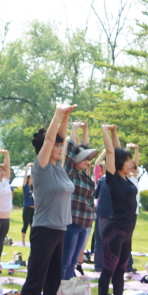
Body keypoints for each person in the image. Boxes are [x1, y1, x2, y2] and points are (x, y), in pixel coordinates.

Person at [13, 104, 76, 295]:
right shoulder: (41, 169)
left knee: (53, 280)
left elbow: (61, 138)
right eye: (56, 146)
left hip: (60, 230)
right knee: (36, 280)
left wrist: (66, 117)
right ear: (45, 149)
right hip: (43, 229)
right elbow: (51, 138)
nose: (60, 148)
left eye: (61, 146)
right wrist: (57, 114)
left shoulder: (59, 167)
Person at [99, 125, 139, 295]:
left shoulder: (126, 179)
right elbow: (111, 152)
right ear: (119, 164)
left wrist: (116, 132)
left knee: (121, 271)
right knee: (109, 269)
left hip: (127, 233)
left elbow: (117, 150)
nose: (131, 163)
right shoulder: (113, 179)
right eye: (128, 161)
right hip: (114, 232)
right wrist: (105, 131)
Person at [61, 120, 97, 280]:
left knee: (73, 261)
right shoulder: (69, 172)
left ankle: (67, 288)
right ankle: (60, 290)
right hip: (71, 222)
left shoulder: (85, 175)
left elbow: (86, 148)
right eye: (82, 158)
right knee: (65, 261)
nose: (86, 161)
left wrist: (86, 129)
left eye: (87, 159)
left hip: (85, 223)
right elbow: (70, 148)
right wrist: (74, 128)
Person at [20, 172, 34, 247]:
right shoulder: (26, 187)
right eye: (31, 178)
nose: (32, 179)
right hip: (27, 209)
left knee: (33, 226)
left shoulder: (35, 187)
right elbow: (24, 179)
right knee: (25, 225)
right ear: (28, 179)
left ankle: (32, 242)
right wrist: (27, 167)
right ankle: (23, 242)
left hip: (34, 209)